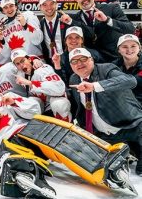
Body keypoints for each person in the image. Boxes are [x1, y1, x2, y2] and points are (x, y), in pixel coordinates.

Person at [68, 47, 142, 175]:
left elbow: (130, 81)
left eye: (83, 59)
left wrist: (95, 86)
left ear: (92, 60)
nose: (79, 63)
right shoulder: (74, 79)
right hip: (106, 135)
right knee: (99, 171)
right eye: (74, 61)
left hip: (132, 126)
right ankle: (128, 151)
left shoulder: (106, 69)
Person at [63, 0, 135, 62]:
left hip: (115, 59)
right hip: (91, 62)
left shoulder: (111, 8)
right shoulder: (74, 18)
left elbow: (130, 29)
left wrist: (107, 20)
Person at [11, 49, 72, 122]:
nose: (21, 65)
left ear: (29, 59)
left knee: (58, 104)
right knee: (29, 102)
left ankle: (68, 127)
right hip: (43, 106)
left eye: (22, 61)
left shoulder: (42, 69)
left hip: (56, 101)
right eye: (17, 64)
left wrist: (30, 83)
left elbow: (59, 89)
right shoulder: (21, 75)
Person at [38, 0, 71, 64]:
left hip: (66, 60)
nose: (49, 7)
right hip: (49, 61)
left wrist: (71, 22)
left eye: (51, 4)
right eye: (45, 5)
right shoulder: (40, 24)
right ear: (40, 7)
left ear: (56, 5)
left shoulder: (66, 20)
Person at [113, 34, 142, 104]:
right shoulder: (112, 66)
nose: (129, 50)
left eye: (133, 46)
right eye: (124, 47)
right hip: (121, 105)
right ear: (119, 50)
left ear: (140, 48)